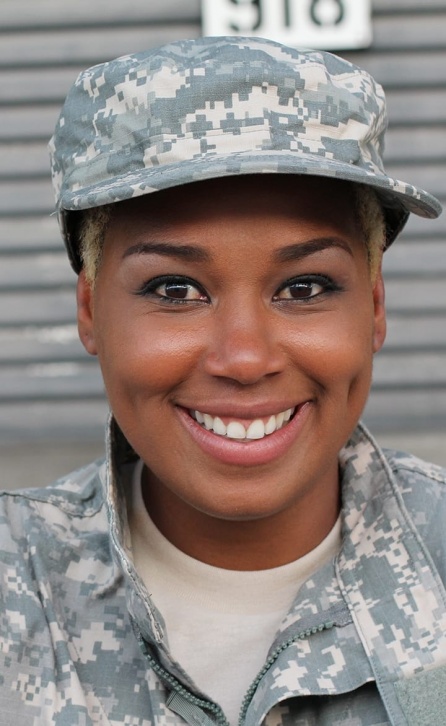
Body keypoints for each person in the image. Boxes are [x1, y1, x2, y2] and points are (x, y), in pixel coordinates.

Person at [1, 35, 445, 726]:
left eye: (305, 287)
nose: (244, 358)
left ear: (376, 307)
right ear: (90, 309)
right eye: (174, 289)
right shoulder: (16, 584)